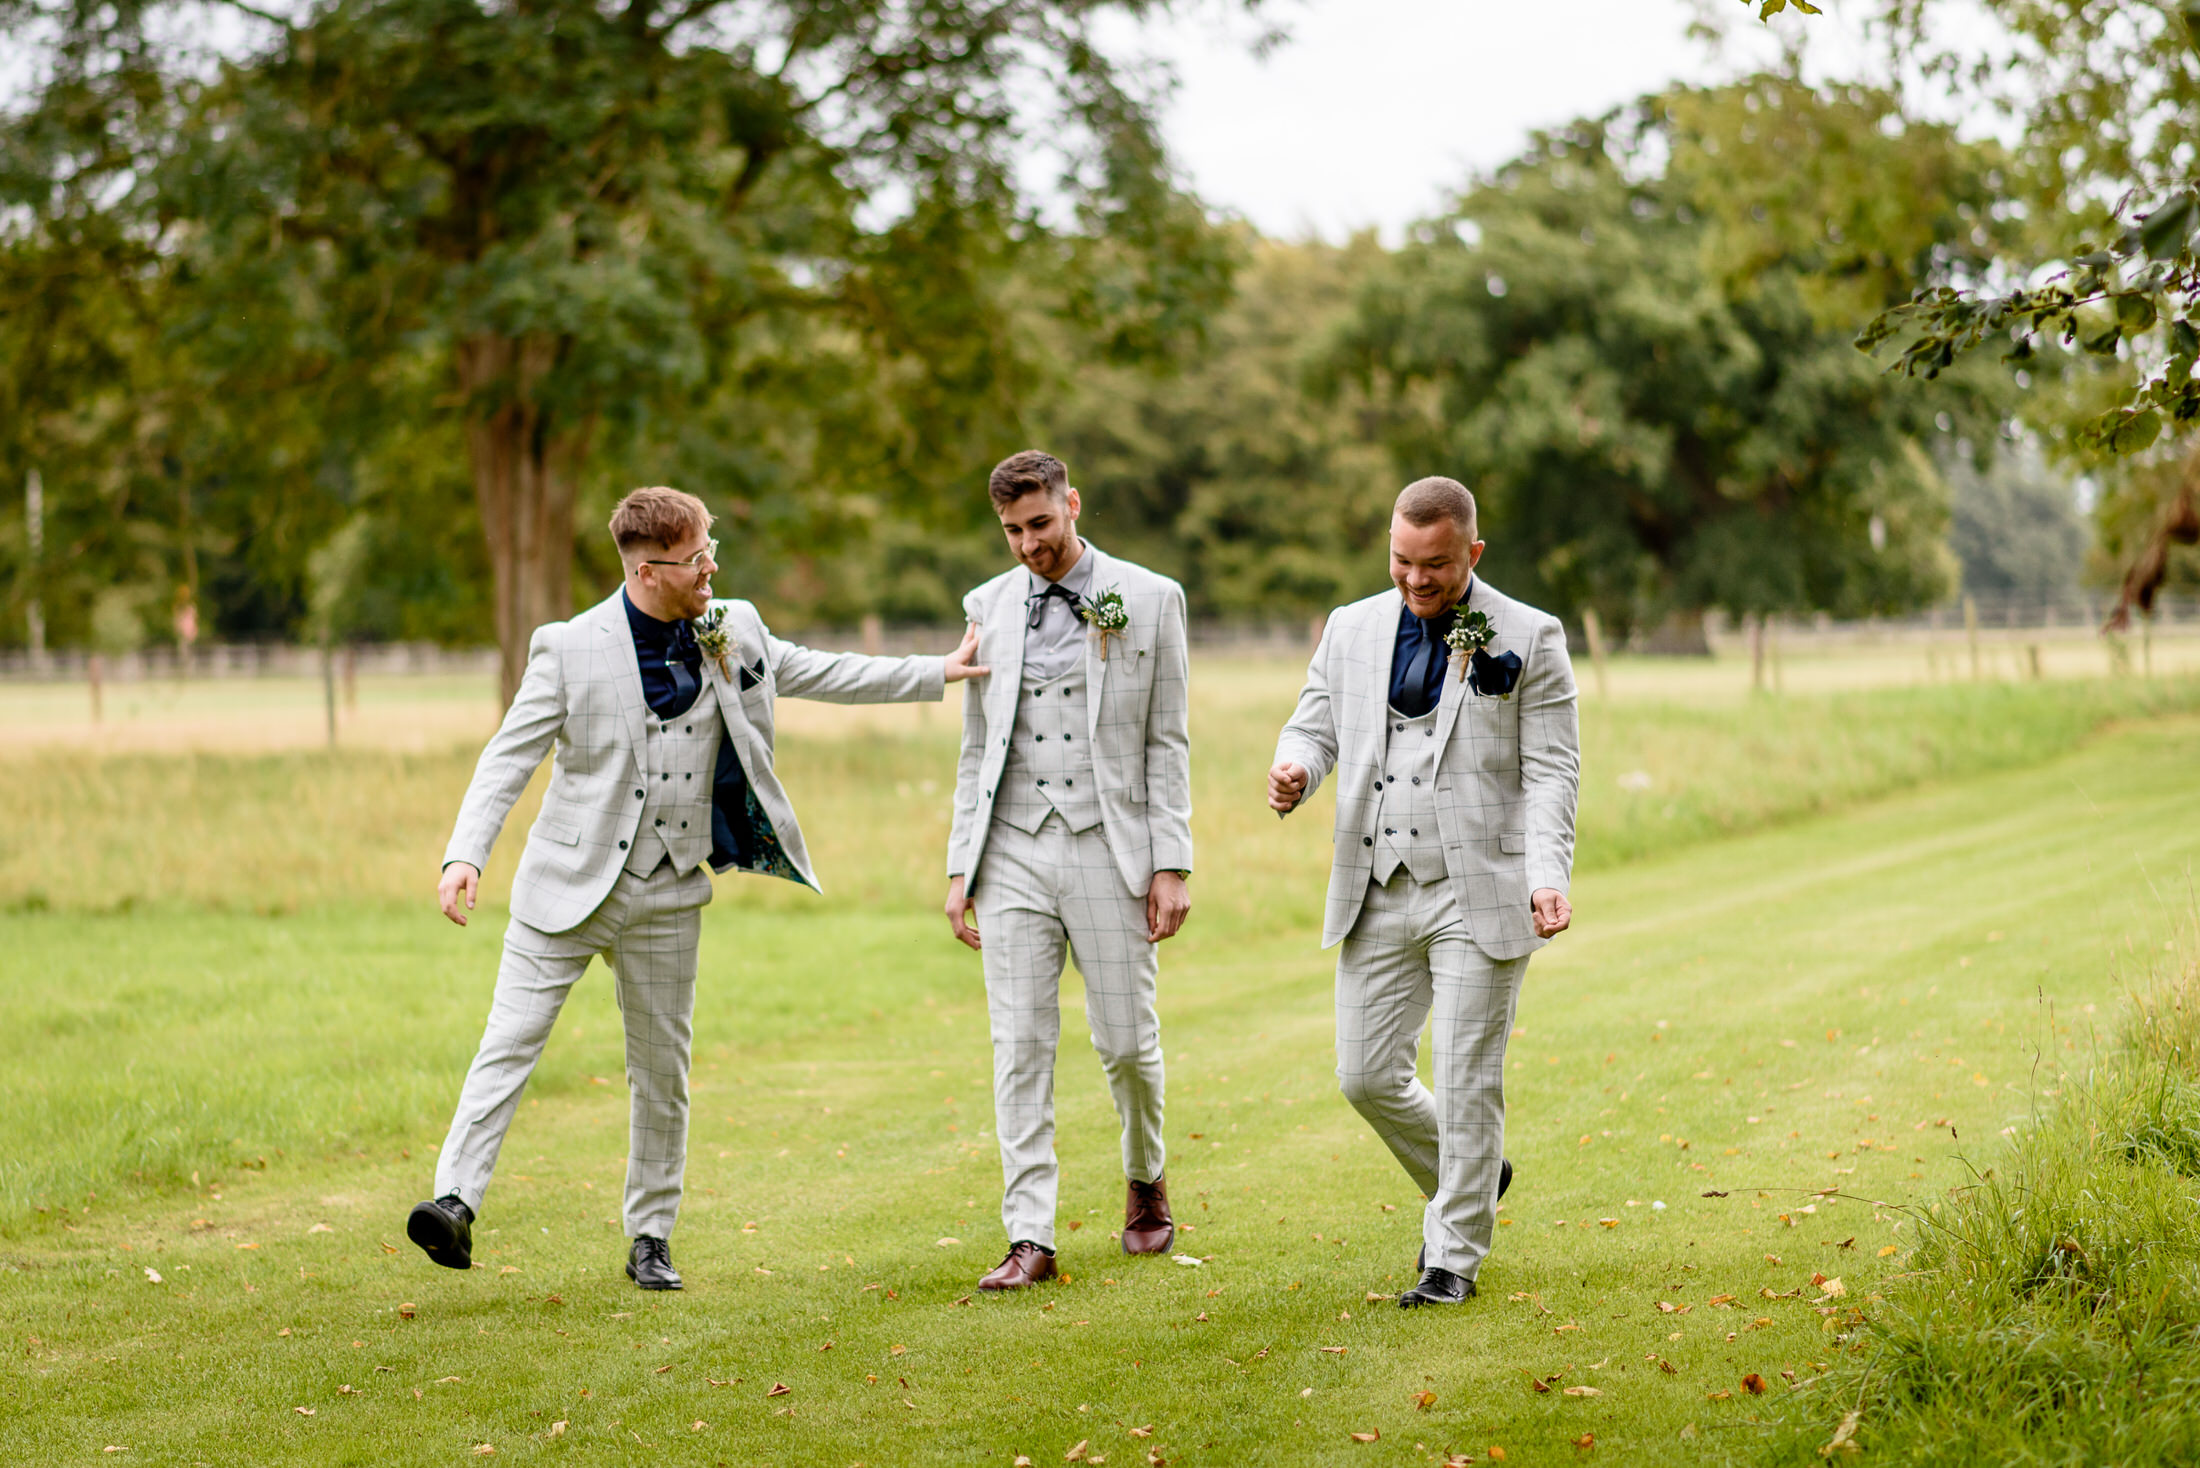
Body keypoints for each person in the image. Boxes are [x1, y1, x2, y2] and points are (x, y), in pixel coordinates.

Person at [409, 486, 988, 1290]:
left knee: (661, 1073)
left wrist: (938, 672)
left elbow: (817, 670)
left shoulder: (734, 626)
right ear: (648, 570)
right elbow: (508, 756)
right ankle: (453, 1202)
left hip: (670, 887)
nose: (713, 566)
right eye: (698, 557)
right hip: (564, 886)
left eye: (712, 549)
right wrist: (464, 854)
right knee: (508, 1044)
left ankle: (651, 1236)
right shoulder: (568, 648)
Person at [1267, 476, 1580, 1308]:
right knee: (1364, 1076)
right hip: (1376, 880)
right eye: (1402, 561)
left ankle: (1451, 1260)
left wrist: (1548, 875)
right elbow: (1315, 718)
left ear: (1471, 553)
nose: (1415, 580)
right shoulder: (1350, 627)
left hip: (1483, 885)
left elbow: (1552, 770)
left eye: (1435, 565)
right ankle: (1476, 1170)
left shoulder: (1530, 636)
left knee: (1468, 1073)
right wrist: (1297, 764)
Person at [944, 450, 1193, 1292]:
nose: (1028, 545)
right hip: (1011, 847)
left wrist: (1171, 864)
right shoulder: (986, 606)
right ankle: (1031, 1237)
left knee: (1125, 1043)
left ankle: (1145, 1178)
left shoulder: (1151, 599)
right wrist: (960, 866)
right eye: (1012, 531)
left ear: (1072, 505)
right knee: (1019, 1044)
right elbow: (978, 746)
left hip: (1107, 845)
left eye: (1040, 525)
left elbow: (1167, 741)